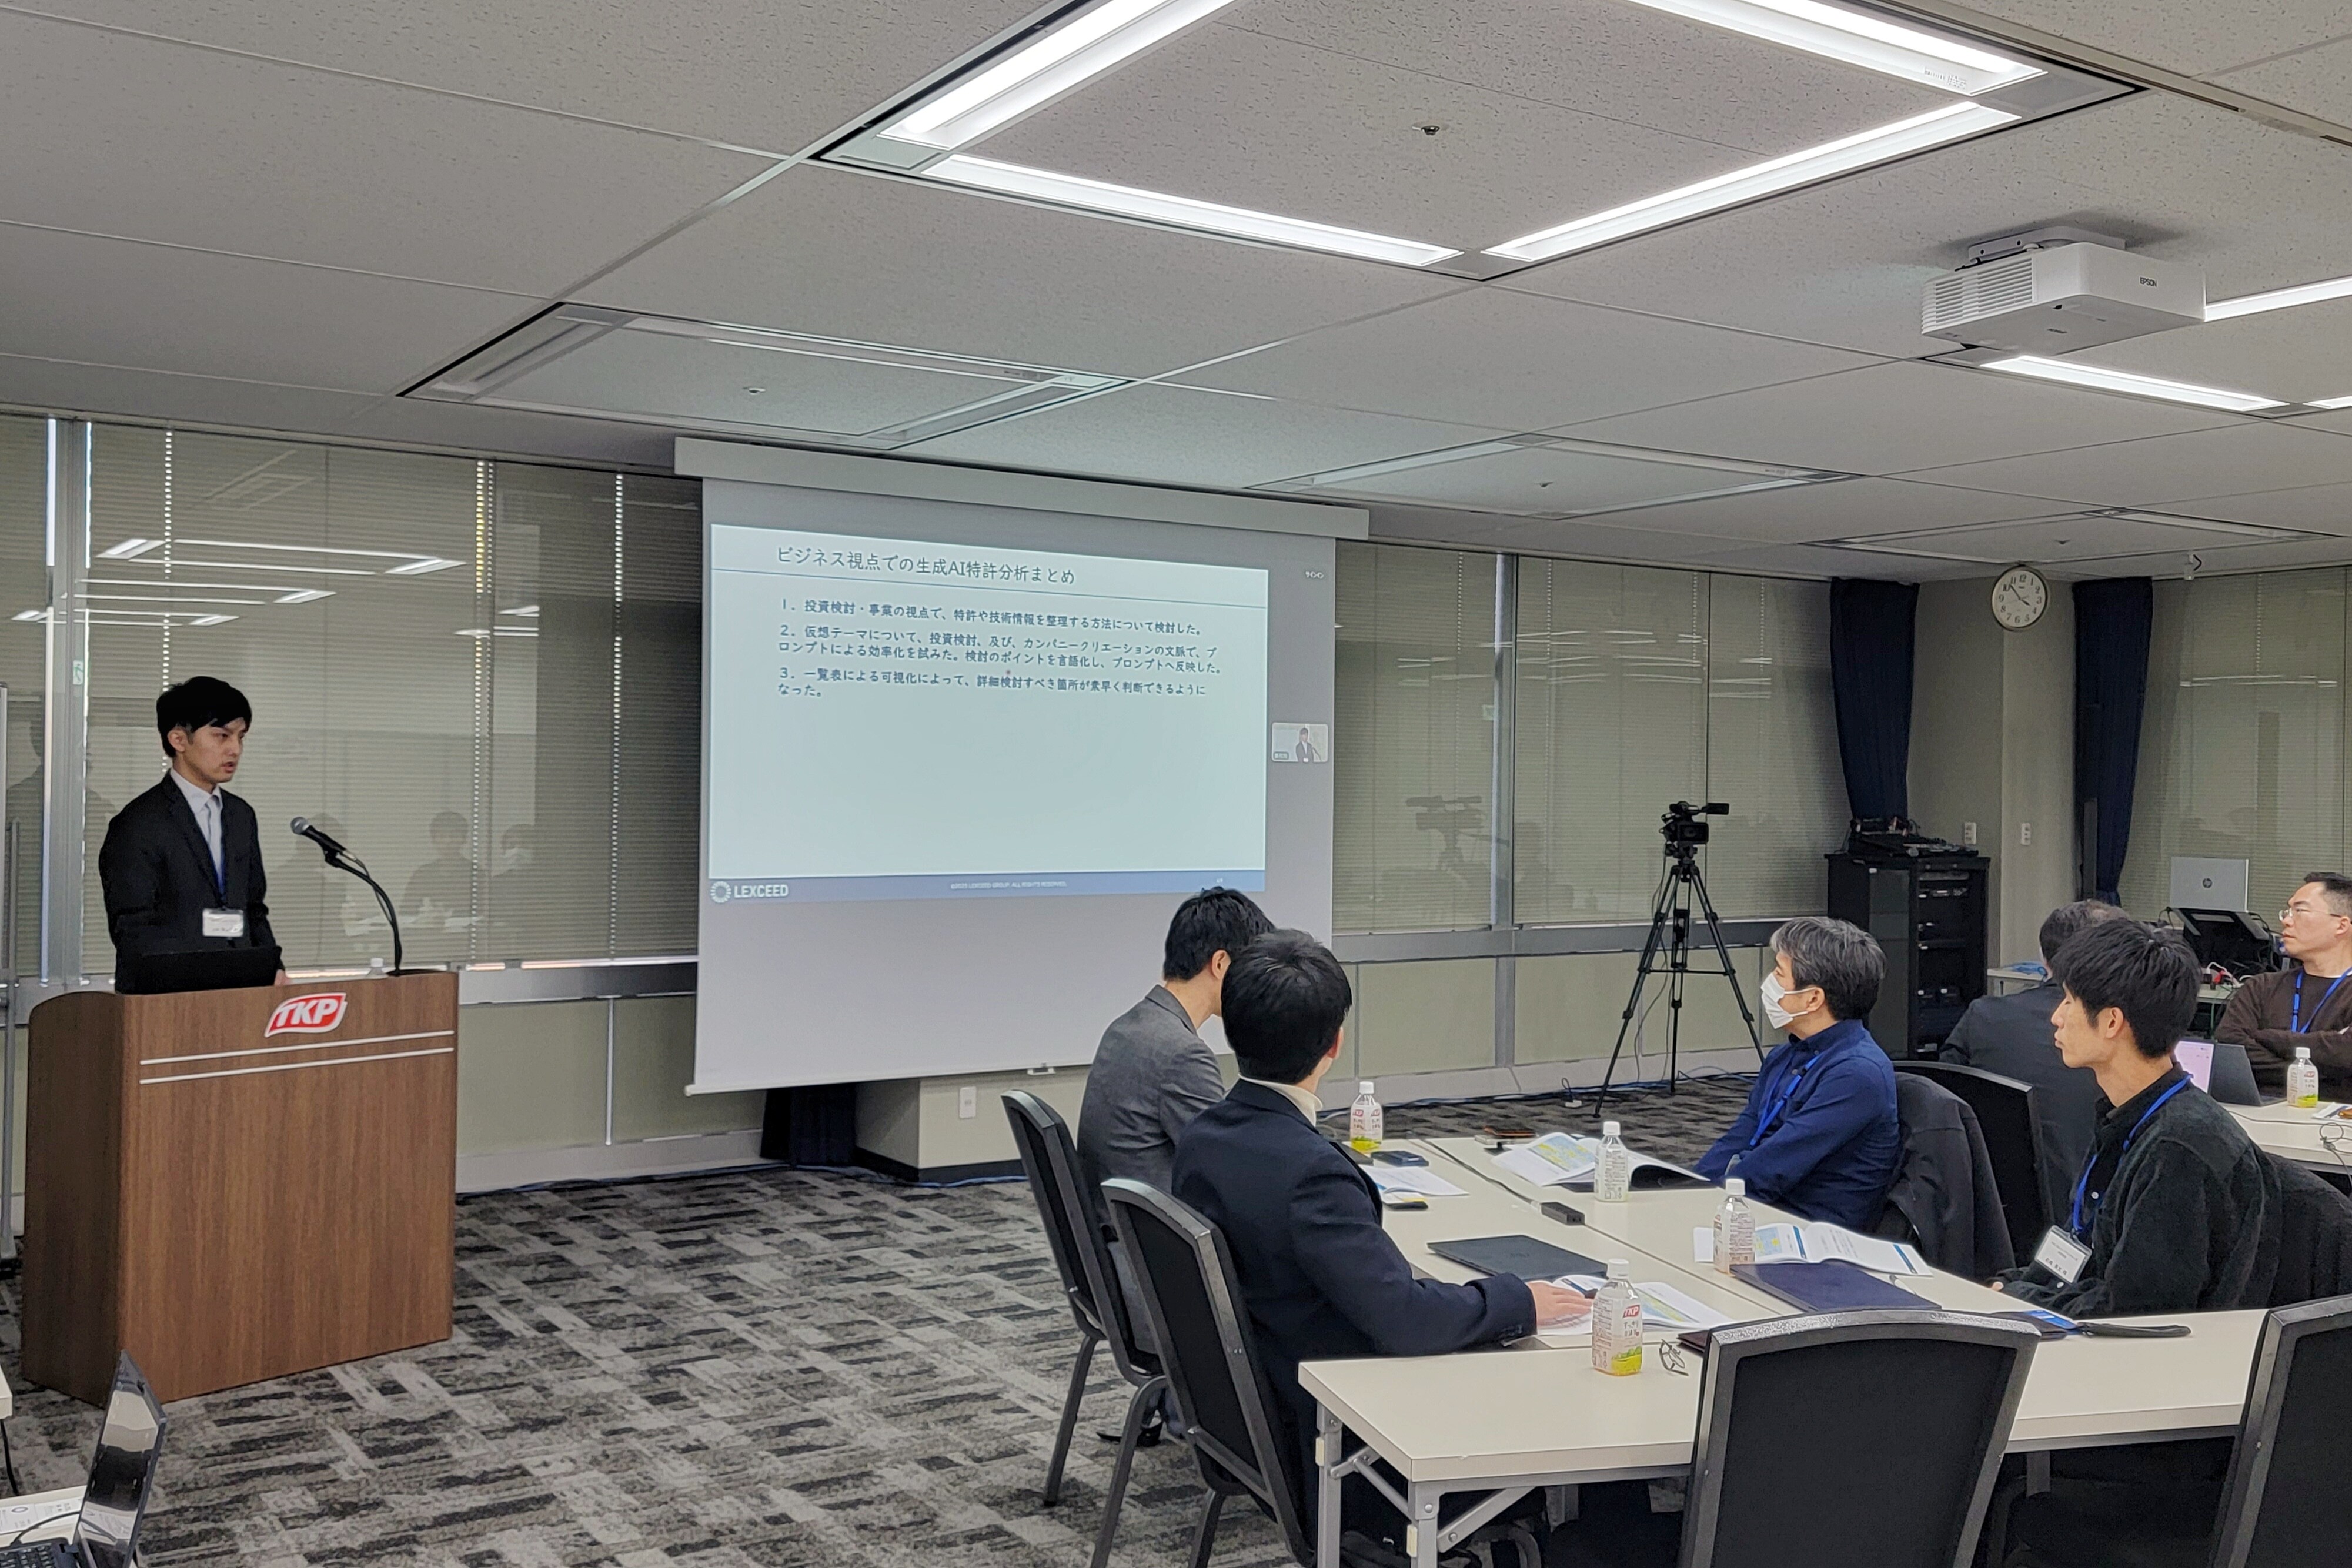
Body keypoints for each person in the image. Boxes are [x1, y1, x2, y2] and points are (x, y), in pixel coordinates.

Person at [1170, 931, 1584, 1523]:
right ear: (1335, 1042)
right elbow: (1404, 1320)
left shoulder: (1203, 1137)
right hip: (1347, 1439)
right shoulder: (1310, 1173)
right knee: (1572, 1406)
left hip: (1257, 1414)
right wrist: (1519, 1300)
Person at [1997, 919, 2278, 1317]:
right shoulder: (2130, 1115)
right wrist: (2014, 1286)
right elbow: (2085, 1252)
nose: (2056, 1017)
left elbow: (2135, 1311)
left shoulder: (2179, 1148)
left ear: (2112, 1022)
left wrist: (2019, 1299)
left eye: (2069, 1001)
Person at [1696, 916, 1901, 1228]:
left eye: (1779, 974)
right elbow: (1742, 1135)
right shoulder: (1785, 1056)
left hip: (1809, 1231)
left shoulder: (1857, 1075)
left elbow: (1777, 1166)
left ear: (1813, 998)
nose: (1769, 982)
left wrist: (1699, 1208)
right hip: (1758, 1206)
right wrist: (1690, 1186)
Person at [1077, 887, 1273, 1202]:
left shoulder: (1126, 1027)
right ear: (1220, 964)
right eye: (1250, 971)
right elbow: (1229, 1168)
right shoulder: (1183, 1054)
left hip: (1115, 1217)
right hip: (1154, 1227)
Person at [1941, 900, 2129, 1221]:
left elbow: (1943, 1100)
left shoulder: (1982, 1017)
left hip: (1989, 1215)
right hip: (2090, 1219)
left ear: (2044, 959)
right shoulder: (2122, 1033)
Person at [98, 677, 278, 971]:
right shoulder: (137, 823)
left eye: (241, 737)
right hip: (171, 987)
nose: (235, 749)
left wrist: (273, 968)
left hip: (241, 982)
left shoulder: (241, 815)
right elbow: (133, 926)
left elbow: (253, 909)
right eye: (222, 736)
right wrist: (191, 977)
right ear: (179, 740)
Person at [2216, 872, 2352, 1096]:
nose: (2286, 921)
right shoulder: (2261, 987)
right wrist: (2318, 1073)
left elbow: (2346, 1053)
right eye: (2288, 912)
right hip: (2259, 1111)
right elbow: (2231, 1048)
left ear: (2341, 925)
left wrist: (2266, 1037)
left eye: (2300, 911)